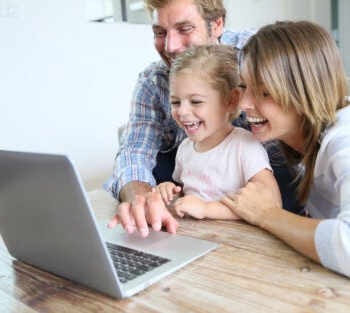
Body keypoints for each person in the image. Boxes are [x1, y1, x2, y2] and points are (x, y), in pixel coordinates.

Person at [220, 21, 350, 283]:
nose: (243, 103)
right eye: (243, 86)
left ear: (303, 91)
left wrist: (267, 215)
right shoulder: (297, 141)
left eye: (263, 91)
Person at [105, 0, 302, 237]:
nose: (170, 46)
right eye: (159, 32)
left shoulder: (260, 52)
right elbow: (135, 151)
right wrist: (147, 195)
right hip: (198, 223)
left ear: (217, 24)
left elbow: (317, 93)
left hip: (270, 197)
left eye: (185, 29)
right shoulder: (154, 81)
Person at [155, 44, 280, 220]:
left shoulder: (245, 147)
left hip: (237, 243)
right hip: (197, 239)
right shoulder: (185, 148)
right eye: (175, 102)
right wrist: (171, 192)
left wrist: (207, 209)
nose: (182, 111)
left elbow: (272, 203)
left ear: (230, 101)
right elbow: (189, 194)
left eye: (196, 101)